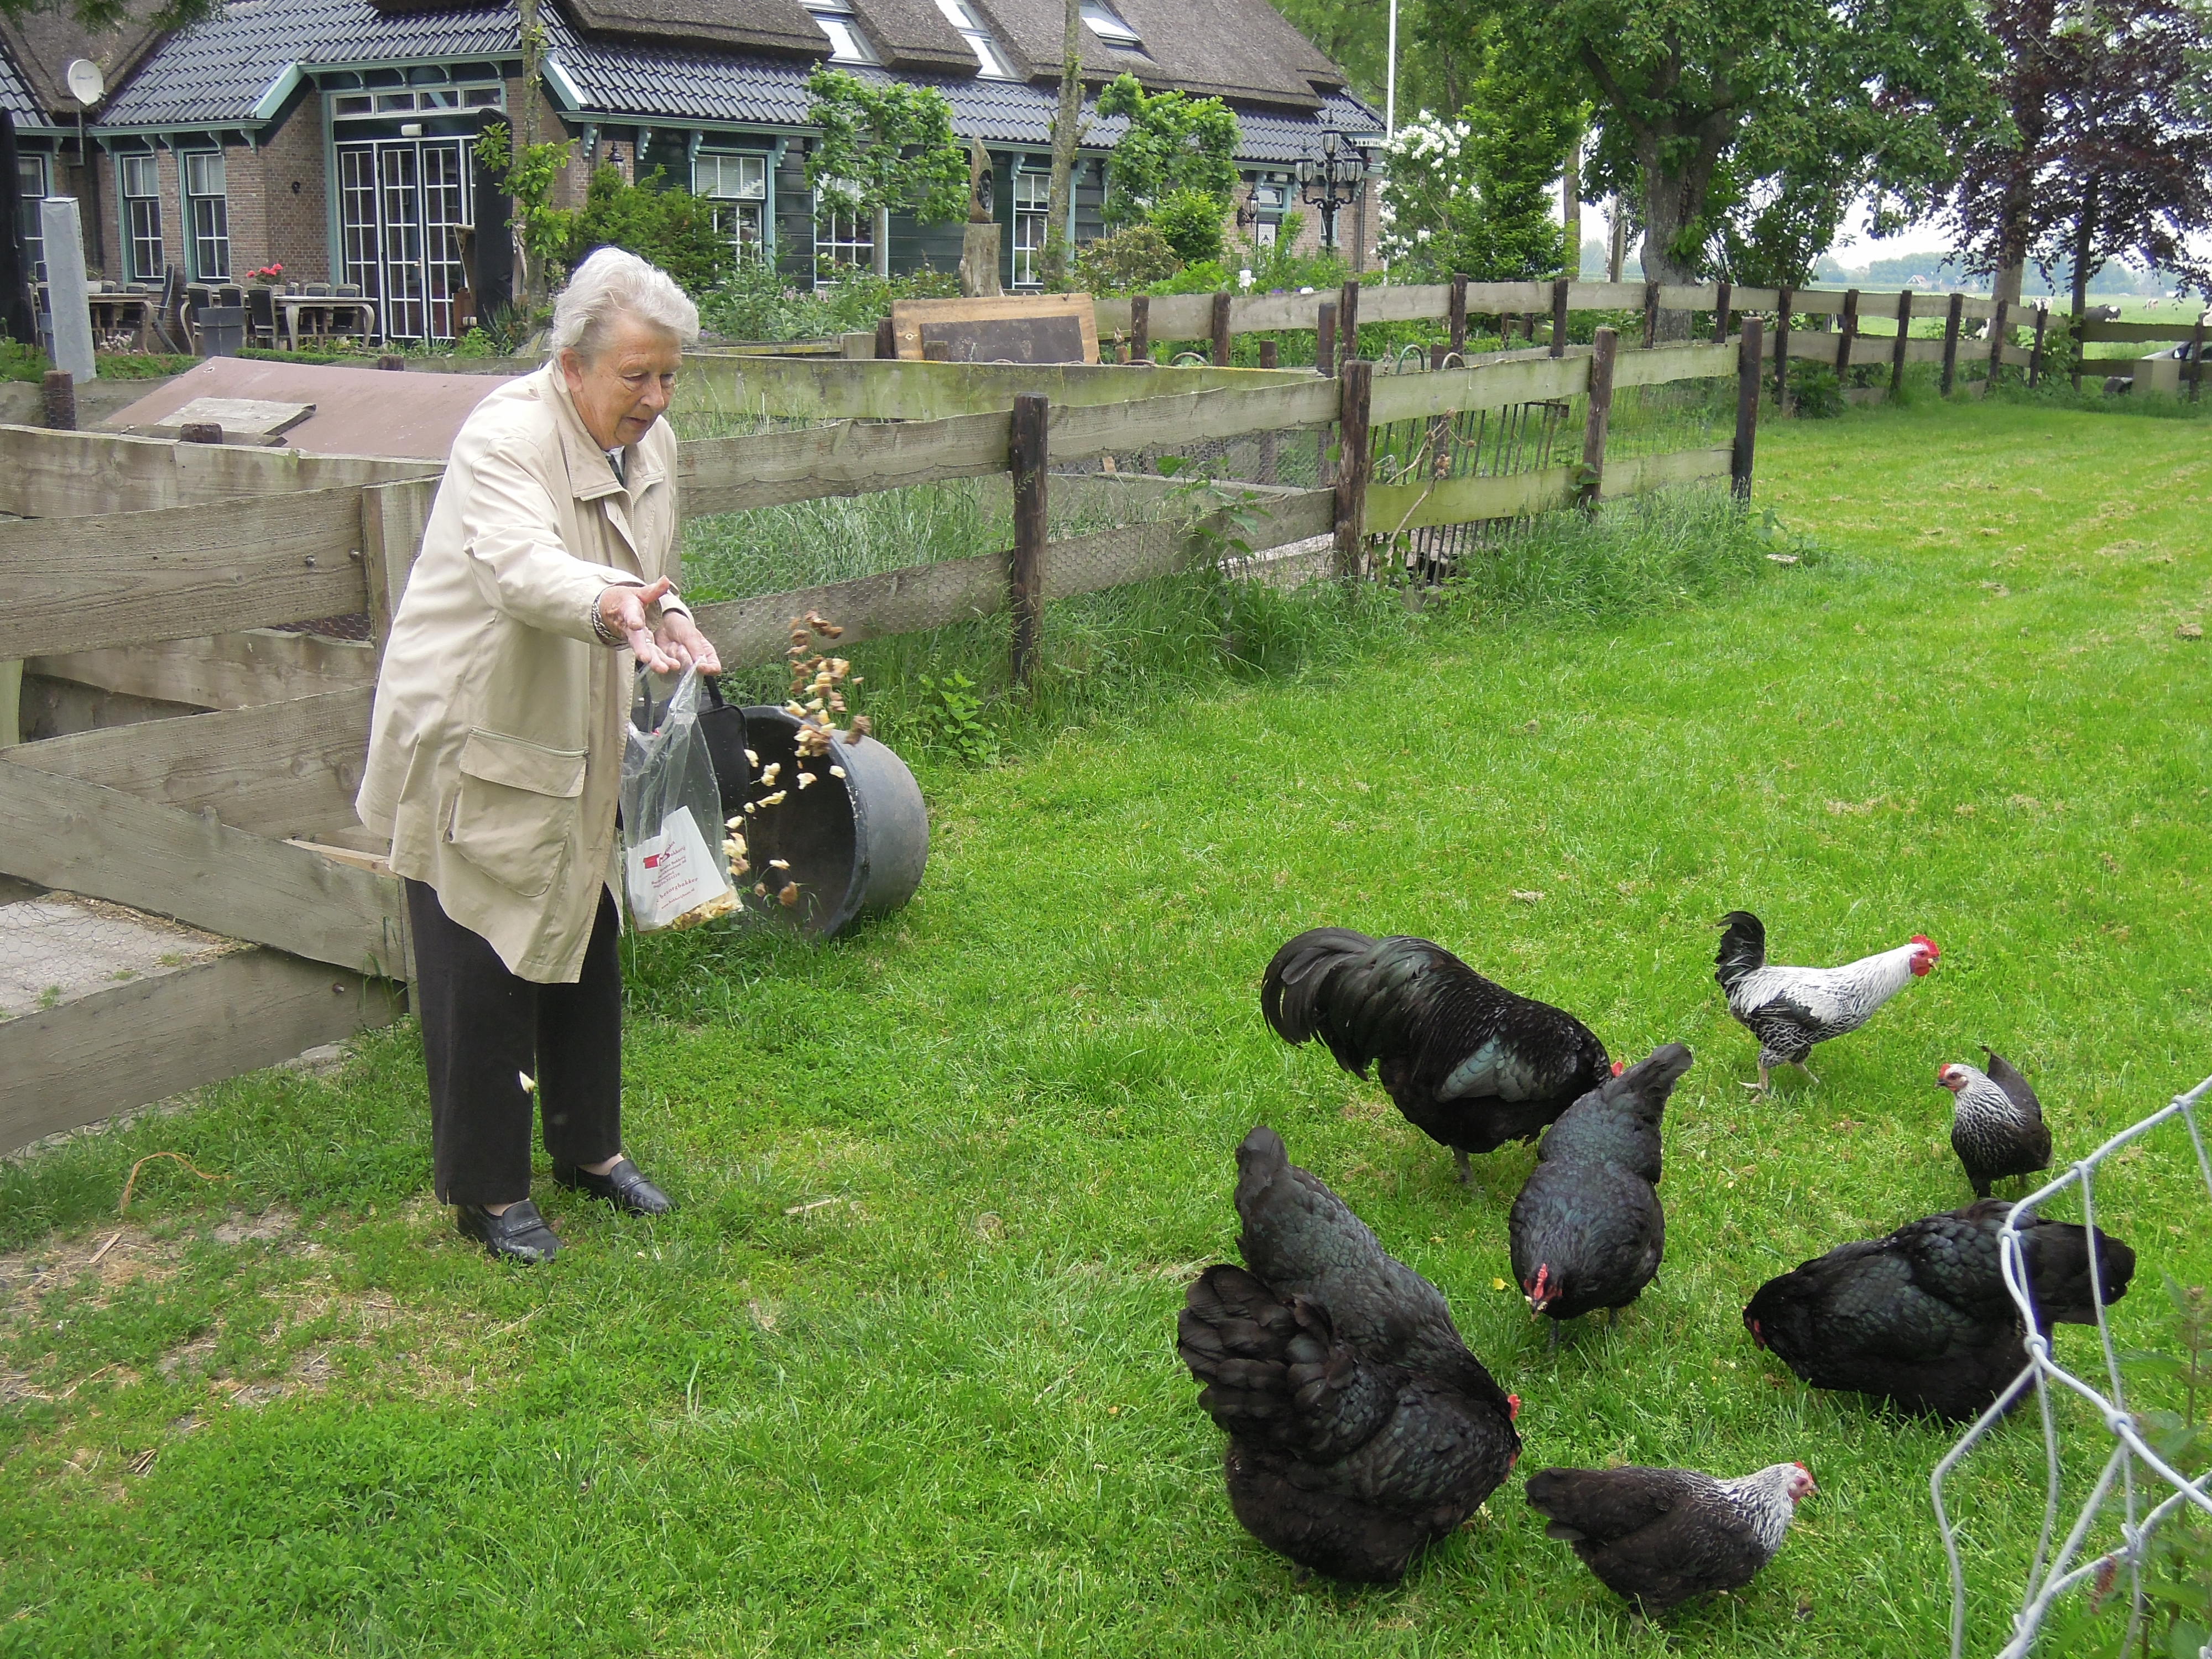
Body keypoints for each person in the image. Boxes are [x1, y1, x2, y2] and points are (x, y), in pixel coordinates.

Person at [357, 247, 722, 1263]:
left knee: (585, 927)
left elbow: (649, 570)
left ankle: (588, 1151)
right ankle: (488, 1191)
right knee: (481, 948)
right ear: (571, 364)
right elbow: (523, 569)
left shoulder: (653, 444)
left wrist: (670, 614)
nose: (655, 398)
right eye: (636, 376)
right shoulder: (505, 437)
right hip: (478, 726)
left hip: (579, 714)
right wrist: (613, 607)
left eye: (668, 376)